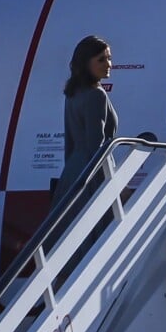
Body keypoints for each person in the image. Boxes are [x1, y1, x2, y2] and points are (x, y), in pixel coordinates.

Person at [50, 35, 118, 209]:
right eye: (101, 60)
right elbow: (97, 146)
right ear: (86, 63)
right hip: (92, 173)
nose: (108, 64)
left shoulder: (73, 92)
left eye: (109, 58)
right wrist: (114, 184)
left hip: (73, 172)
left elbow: (70, 143)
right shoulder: (97, 94)